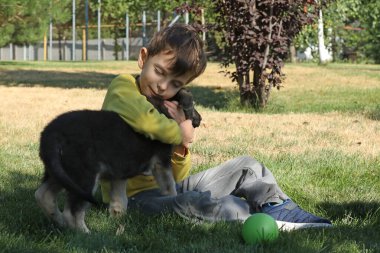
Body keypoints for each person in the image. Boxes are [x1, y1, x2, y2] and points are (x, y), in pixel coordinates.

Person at [100, 24, 332, 231]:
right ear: (143, 58)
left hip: (166, 188)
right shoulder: (123, 87)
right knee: (190, 203)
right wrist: (180, 131)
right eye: (159, 72)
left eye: (176, 84)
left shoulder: (167, 110)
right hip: (132, 199)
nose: (162, 86)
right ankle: (249, 214)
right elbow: (143, 119)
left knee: (247, 166)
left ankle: (275, 206)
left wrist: (181, 146)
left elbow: (176, 176)